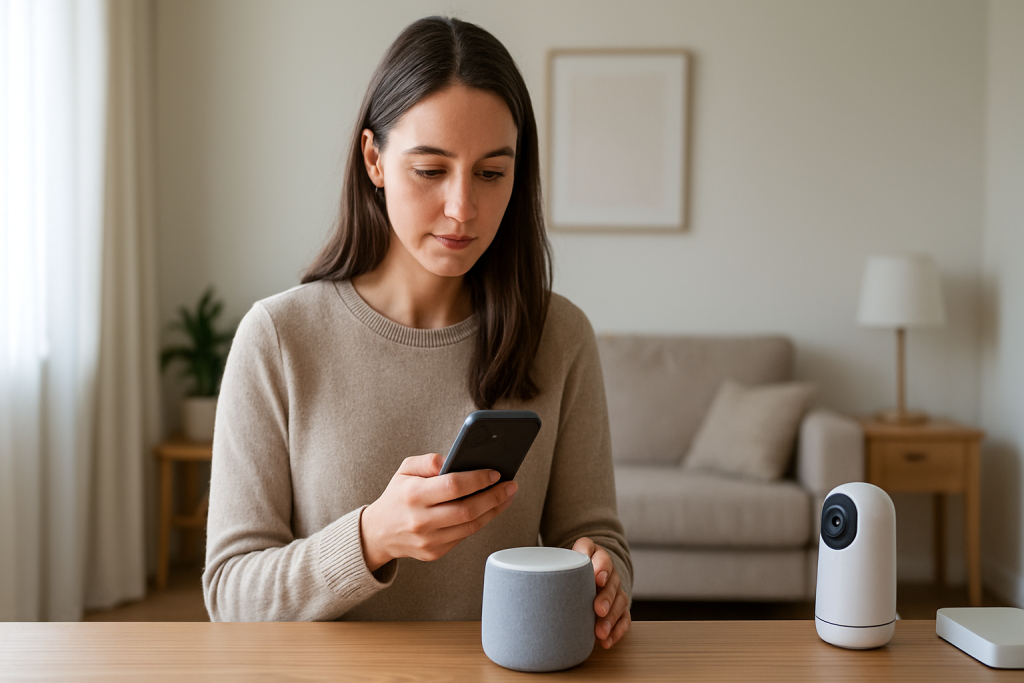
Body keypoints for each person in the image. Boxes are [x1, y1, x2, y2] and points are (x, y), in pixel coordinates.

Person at [202, 16, 632, 649]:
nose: (464, 208)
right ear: (374, 160)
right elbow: (230, 596)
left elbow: (598, 538)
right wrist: (372, 538)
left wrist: (605, 579)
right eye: (431, 170)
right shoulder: (277, 338)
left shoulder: (559, 334)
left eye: (491, 173)